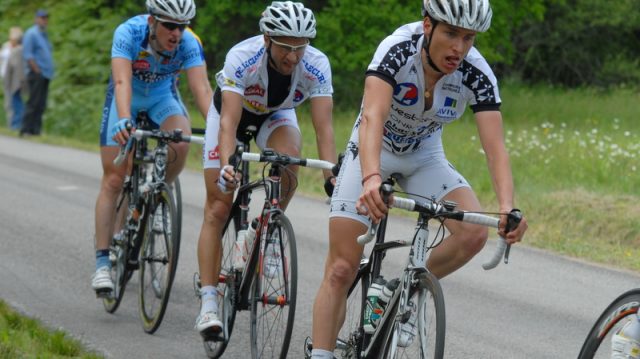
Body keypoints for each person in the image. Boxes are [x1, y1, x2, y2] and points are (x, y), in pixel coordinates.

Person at [309, 0, 529, 357]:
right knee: (341, 267)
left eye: (469, 37)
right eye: (451, 34)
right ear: (428, 26)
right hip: (372, 148)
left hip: (424, 154)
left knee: (473, 233)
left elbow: (495, 147)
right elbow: (372, 117)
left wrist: (508, 206)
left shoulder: (476, 71)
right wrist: (370, 178)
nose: (459, 47)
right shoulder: (396, 49)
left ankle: (401, 289)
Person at [195, 1, 337, 338]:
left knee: (289, 161)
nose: (293, 57)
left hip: (276, 113)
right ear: (267, 38)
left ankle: (269, 229)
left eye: (300, 48)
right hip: (232, 113)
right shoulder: (242, 57)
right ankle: (208, 302)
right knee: (218, 205)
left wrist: (331, 176)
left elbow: (324, 129)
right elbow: (228, 124)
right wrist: (230, 166)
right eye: (286, 48)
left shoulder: (316, 65)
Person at [91, 0, 213, 296]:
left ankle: (159, 195)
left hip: (161, 98)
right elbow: (121, 81)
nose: (176, 33)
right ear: (152, 22)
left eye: (182, 27)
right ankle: (103, 263)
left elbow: (202, 89)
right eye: (170, 25)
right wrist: (123, 120)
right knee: (115, 178)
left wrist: (218, 131)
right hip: (127, 98)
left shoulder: (189, 43)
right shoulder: (129, 33)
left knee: (181, 141)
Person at [21, 9, 54, 136]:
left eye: (46, 18)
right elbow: (28, 54)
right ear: (36, 19)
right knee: (33, 102)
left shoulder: (43, 34)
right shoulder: (31, 33)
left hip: (46, 74)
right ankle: (26, 129)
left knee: (41, 103)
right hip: (37, 73)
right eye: (42, 18)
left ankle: (35, 130)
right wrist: (37, 70)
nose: (44, 20)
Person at [3, 27, 25, 130]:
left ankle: (16, 125)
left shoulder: (19, 50)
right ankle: (11, 125)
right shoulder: (6, 47)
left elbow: (18, 67)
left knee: (16, 103)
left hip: (15, 80)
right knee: (9, 103)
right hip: (7, 78)